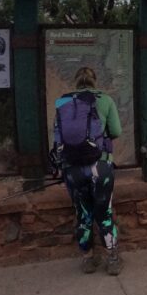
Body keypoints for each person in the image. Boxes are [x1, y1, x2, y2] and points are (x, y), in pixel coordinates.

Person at [51, 67, 123, 275]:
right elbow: (116, 131)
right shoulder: (105, 100)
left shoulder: (62, 102)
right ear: (94, 81)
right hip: (100, 165)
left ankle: (88, 260)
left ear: (76, 81)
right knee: (104, 213)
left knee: (83, 213)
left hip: (72, 168)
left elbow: (59, 135)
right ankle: (112, 259)